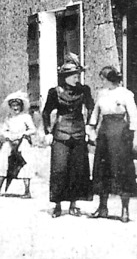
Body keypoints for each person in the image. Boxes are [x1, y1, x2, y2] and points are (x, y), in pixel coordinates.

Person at [42, 54, 95, 217]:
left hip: (79, 133)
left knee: (77, 169)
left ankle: (73, 204)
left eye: (77, 76)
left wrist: (88, 126)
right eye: (73, 76)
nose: (76, 79)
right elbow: (46, 113)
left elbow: (91, 108)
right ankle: (57, 205)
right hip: (60, 134)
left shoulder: (84, 90)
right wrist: (47, 132)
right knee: (59, 169)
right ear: (64, 77)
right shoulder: (54, 92)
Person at [89, 66, 137, 223]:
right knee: (102, 169)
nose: (102, 82)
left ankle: (125, 210)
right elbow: (95, 114)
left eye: (104, 79)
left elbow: (134, 117)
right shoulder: (101, 94)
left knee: (122, 169)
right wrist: (91, 129)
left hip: (121, 135)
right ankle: (102, 207)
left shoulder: (125, 94)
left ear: (111, 79)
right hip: (104, 133)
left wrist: (136, 137)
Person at [0, 92, 36, 198]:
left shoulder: (26, 117)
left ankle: (27, 191)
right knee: (4, 163)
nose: (15, 108)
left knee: (25, 164)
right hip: (10, 142)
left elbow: (33, 129)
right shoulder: (9, 118)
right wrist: (9, 136)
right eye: (13, 106)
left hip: (23, 142)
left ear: (21, 106)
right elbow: (4, 130)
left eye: (17, 105)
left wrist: (23, 134)